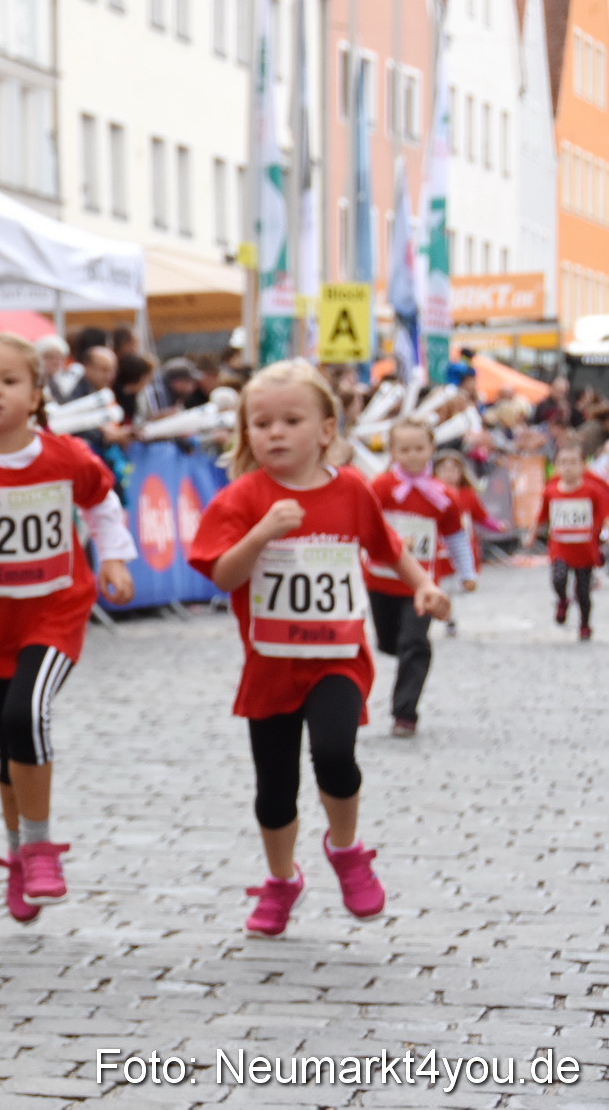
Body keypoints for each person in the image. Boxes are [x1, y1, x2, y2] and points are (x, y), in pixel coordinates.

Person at [188, 362, 449, 938]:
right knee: (274, 790)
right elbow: (224, 577)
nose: (274, 432)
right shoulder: (242, 497)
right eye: (260, 423)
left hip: (335, 658)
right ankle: (282, 880)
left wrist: (423, 585)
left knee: (334, 753)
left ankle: (347, 848)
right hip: (270, 666)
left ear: (326, 430)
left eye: (290, 420)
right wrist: (262, 533)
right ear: (245, 433)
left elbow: (387, 545)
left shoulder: (352, 488)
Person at [0, 333, 136, 922]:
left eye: (8, 380)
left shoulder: (64, 455)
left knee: (25, 715)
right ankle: (17, 854)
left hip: (55, 611)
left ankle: (40, 846)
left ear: (37, 392)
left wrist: (113, 556)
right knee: (6, 744)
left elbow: (102, 501)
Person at [365, 418, 477, 737]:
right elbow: (367, 527)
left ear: (431, 449)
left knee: (415, 642)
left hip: (421, 587)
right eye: (404, 450)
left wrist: (467, 573)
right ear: (392, 452)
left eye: (419, 448)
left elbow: (456, 536)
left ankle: (405, 713)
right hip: (381, 581)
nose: (413, 456)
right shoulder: (381, 487)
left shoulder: (443, 495)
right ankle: (402, 655)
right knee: (389, 641)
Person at [525, 438, 609, 641]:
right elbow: (541, 516)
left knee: (583, 590)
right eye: (563, 462)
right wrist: (531, 535)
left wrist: (606, 536)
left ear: (583, 465)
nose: (568, 467)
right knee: (558, 578)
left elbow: (605, 516)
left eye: (573, 462)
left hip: (585, 550)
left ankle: (585, 624)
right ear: (556, 466)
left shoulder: (593, 490)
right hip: (560, 548)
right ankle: (562, 600)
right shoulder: (551, 490)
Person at [433, 449, 499, 637]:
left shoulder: (467, 495)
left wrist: (497, 526)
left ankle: (450, 616)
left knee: (454, 586)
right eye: (444, 469)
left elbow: (481, 517)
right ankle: (444, 615)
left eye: (454, 470)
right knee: (441, 585)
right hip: (438, 549)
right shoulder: (431, 493)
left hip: (461, 546)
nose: (449, 474)